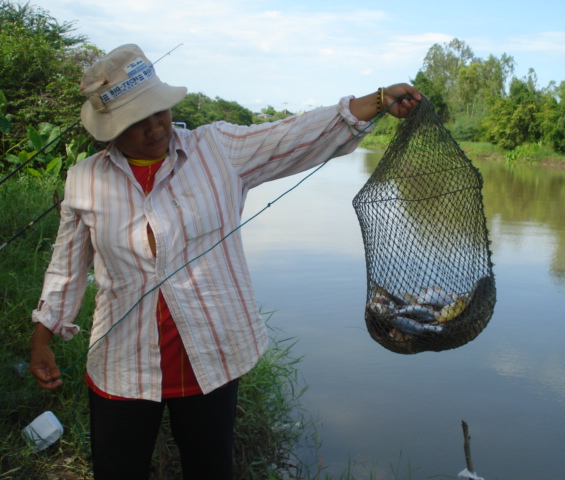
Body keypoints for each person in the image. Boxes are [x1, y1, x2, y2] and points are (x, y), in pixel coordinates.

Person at [29, 43, 420, 479]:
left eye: (157, 111)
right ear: (110, 128)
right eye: (135, 121)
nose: (154, 127)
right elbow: (65, 268)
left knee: (210, 468)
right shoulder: (84, 180)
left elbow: (291, 133)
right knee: (117, 468)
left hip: (210, 354)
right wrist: (43, 337)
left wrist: (378, 99)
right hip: (122, 360)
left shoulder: (217, 148)